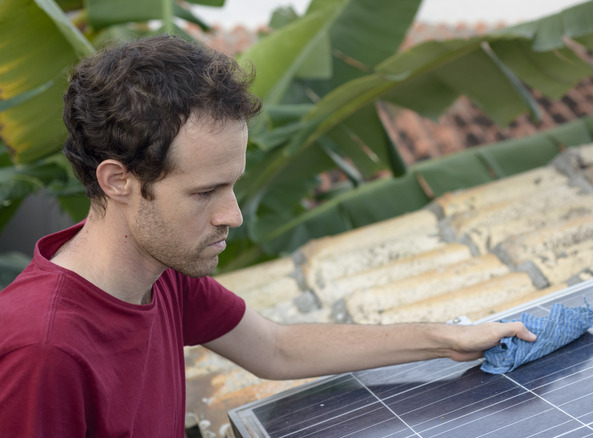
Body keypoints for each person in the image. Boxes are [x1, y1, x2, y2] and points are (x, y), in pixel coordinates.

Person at [0, 35, 536, 437]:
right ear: (118, 181)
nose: (232, 215)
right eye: (204, 192)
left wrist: (446, 339)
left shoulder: (159, 270)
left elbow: (275, 348)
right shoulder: (45, 351)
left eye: (232, 186)